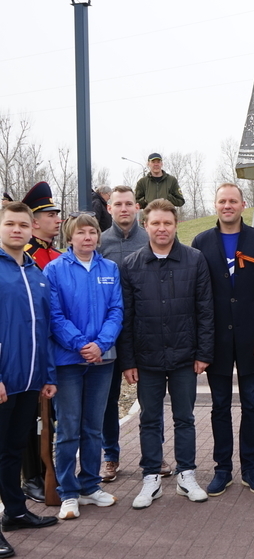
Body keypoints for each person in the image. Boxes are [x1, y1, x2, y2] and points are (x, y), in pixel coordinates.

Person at [119, 199, 214, 509]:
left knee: (184, 417)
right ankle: (151, 477)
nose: (162, 228)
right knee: (149, 419)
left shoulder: (195, 260)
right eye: (156, 223)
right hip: (147, 358)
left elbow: (205, 310)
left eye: (167, 223)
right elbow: (127, 317)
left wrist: (203, 352)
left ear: (176, 225)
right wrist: (128, 360)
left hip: (186, 357)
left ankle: (187, 474)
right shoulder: (131, 265)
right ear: (145, 225)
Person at [192, 183, 254, 497]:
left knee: (253, 404)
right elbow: (195, 297)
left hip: (253, 339)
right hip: (215, 341)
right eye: (222, 201)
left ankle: (249, 467)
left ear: (244, 204)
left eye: (233, 201)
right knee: (219, 406)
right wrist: (200, 343)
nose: (227, 206)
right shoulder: (201, 242)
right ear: (215, 205)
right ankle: (222, 469)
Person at [44, 213, 123, 520]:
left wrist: (100, 344)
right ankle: (68, 492)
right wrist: (80, 344)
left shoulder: (109, 269)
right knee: (68, 429)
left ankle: (90, 485)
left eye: (92, 232)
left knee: (93, 426)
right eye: (81, 233)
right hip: (68, 361)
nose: (88, 237)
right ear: (70, 237)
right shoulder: (54, 270)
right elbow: (54, 315)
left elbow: (116, 310)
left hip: (103, 360)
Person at [98, 186, 171, 483]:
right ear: (110, 208)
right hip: (108, 334)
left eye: (129, 203)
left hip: (145, 334)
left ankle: (154, 455)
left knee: (150, 400)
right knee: (108, 399)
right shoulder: (100, 242)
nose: (124, 208)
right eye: (118, 204)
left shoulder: (150, 238)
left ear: (138, 208)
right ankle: (110, 456)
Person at [0, 202, 58, 556]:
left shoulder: (36, 270)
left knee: (10, 452)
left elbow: (44, 328)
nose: (17, 230)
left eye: (23, 224)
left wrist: (47, 375)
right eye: (10, 224)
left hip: (30, 380)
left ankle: (16, 512)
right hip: (4, 381)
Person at [19, 181, 63, 503]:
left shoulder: (58, 255)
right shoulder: (27, 256)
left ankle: (50, 471)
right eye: (50, 214)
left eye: (57, 213)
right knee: (30, 419)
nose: (57, 218)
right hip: (30, 347)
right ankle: (32, 476)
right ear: (34, 221)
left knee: (49, 418)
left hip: (55, 349)